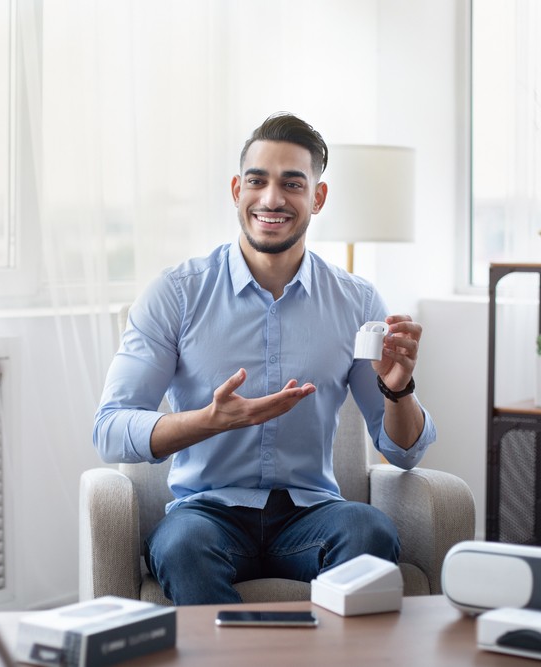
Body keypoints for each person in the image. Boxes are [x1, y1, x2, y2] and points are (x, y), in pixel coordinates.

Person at [93, 112, 436, 605]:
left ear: (317, 198)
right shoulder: (176, 294)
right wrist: (207, 422)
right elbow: (109, 429)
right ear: (237, 190)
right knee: (181, 547)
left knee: (369, 531)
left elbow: (404, 451)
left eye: (292, 184)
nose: (272, 199)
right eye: (258, 181)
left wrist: (399, 389)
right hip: (207, 513)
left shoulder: (357, 302)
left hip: (311, 513)